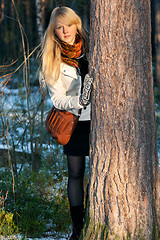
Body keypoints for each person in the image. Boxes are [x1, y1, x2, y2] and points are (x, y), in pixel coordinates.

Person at [38, 6, 92, 240]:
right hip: (76, 122)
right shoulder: (53, 58)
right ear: (54, 32)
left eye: (68, 25)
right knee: (76, 173)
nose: (65, 30)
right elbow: (58, 99)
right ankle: (78, 229)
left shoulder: (92, 46)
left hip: (103, 121)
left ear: (76, 24)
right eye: (59, 27)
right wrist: (78, 101)